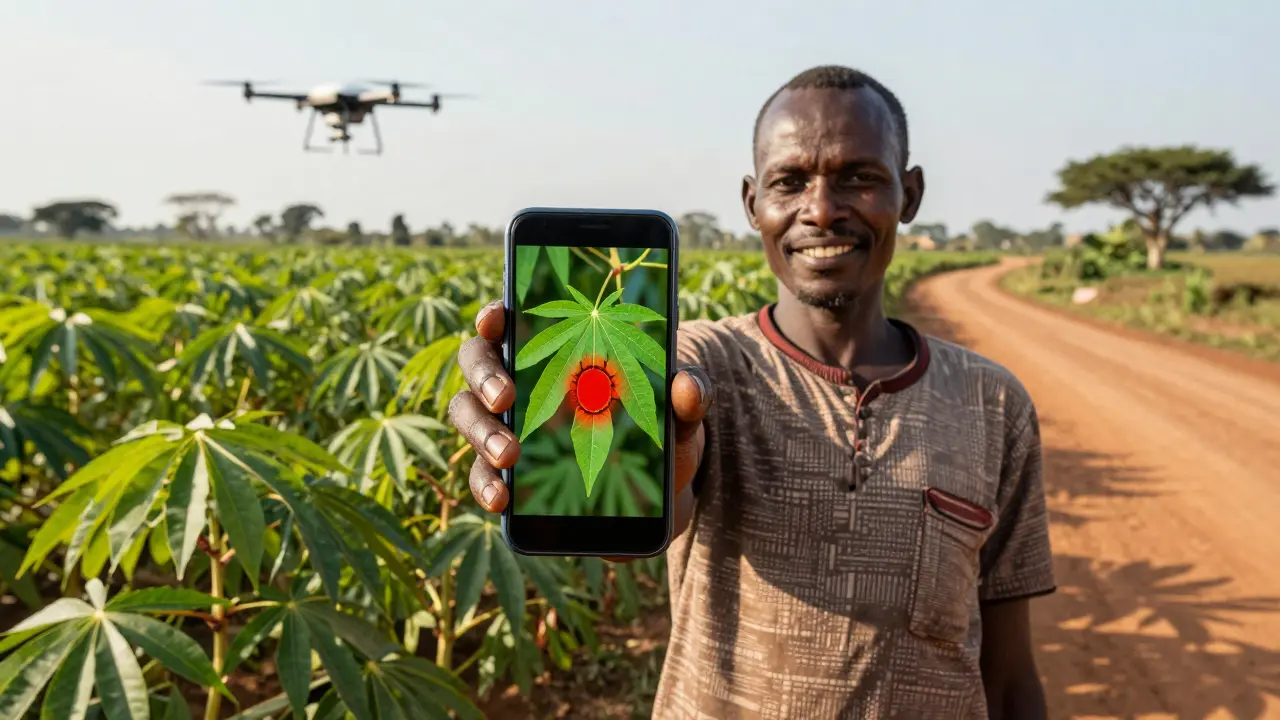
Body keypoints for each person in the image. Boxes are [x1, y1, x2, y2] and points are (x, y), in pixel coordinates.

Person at [447, 64, 1055, 719]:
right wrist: (603, 459)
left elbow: (1012, 674)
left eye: (858, 177)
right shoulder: (698, 363)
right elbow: (648, 504)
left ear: (909, 194)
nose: (821, 210)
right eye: (789, 182)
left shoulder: (993, 405)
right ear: (751, 202)